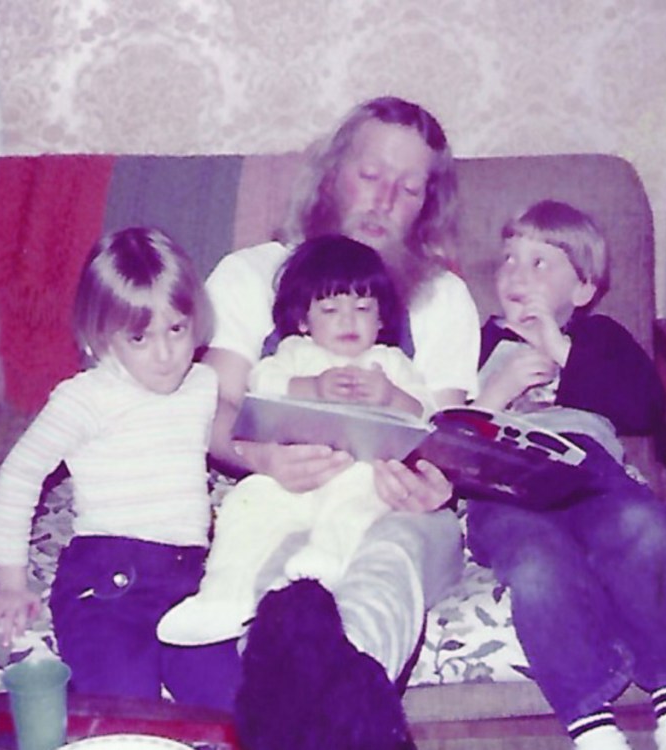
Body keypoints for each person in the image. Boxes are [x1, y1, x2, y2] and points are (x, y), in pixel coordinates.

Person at [203, 96, 480, 749]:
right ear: (330, 174)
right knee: (278, 568)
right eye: (371, 175)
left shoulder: (445, 299)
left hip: (399, 511)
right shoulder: (248, 276)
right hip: (283, 492)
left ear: (426, 205)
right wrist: (260, 458)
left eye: (409, 188)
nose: (385, 200)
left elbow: (448, 430)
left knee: (389, 555)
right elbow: (207, 408)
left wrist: (440, 482)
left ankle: (327, 725)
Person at [468, 200, 666, 750]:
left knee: (648, 528)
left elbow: (644, 407)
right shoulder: (474, 341)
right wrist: (498, 391)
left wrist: (559, 347)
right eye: (509, 259)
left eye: (539, 263)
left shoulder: (598, 336)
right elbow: (447, 428)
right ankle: (592, 725)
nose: (516, 274)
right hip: (501, 483)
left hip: (590, 471)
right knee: (534, 566)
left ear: (581, 289)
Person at [0, 227, 238, 707]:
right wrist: (10, 582)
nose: (165, 354)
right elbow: (19, 475)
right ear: (102, 336)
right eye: (140, 337)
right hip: (108, 585)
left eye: (176, 329)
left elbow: (235, 443)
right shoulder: (86, 397)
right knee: (123, 707)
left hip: (188, 580)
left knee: (231, 703)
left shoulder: (201, 386)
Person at [158, 234, 436, 646]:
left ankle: (325, 563)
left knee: (355, 504)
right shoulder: (294, 353)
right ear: (304, 320)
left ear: (381, 320)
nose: (348, 320)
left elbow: (428, 415)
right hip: (291, 474)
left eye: (363, 308)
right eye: (330, 309)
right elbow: (261, 386)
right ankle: (222, 597)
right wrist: (312, 387)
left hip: (359, 473)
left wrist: (391, 396)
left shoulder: (389, 363)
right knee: (245, 507)